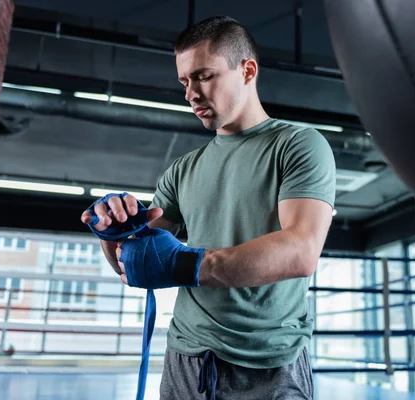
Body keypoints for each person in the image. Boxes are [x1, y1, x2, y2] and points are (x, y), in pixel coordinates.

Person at [81, 15, 336, 400]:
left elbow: (301, 251)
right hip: (186, 356)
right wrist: (113, 230)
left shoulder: (298, 145)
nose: (191, 94)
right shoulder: (182, 170)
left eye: (204, 76)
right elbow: (131, 264)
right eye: (184, 81)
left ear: (247, 70)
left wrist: (186, 264)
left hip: (268, 361)